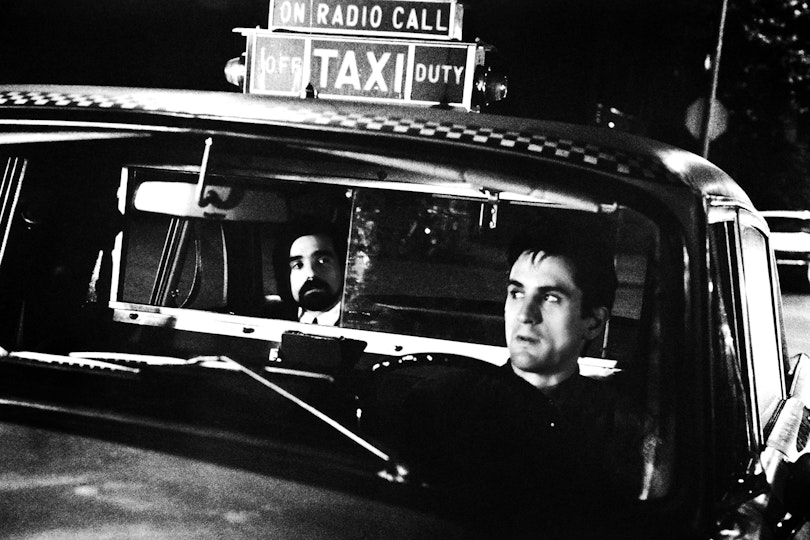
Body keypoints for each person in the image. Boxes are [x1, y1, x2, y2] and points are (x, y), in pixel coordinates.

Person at [502, 216, 651, 496]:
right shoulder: (451, 400)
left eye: (550, 298)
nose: (525, 315)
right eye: (516, 293)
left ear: (593, 323)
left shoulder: (621, 431)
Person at [271, 218, 346, 326]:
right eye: (298, 265)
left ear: (342, 267)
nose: (311, 274)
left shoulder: (366, 323)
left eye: (323, 261)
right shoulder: (273, 321)